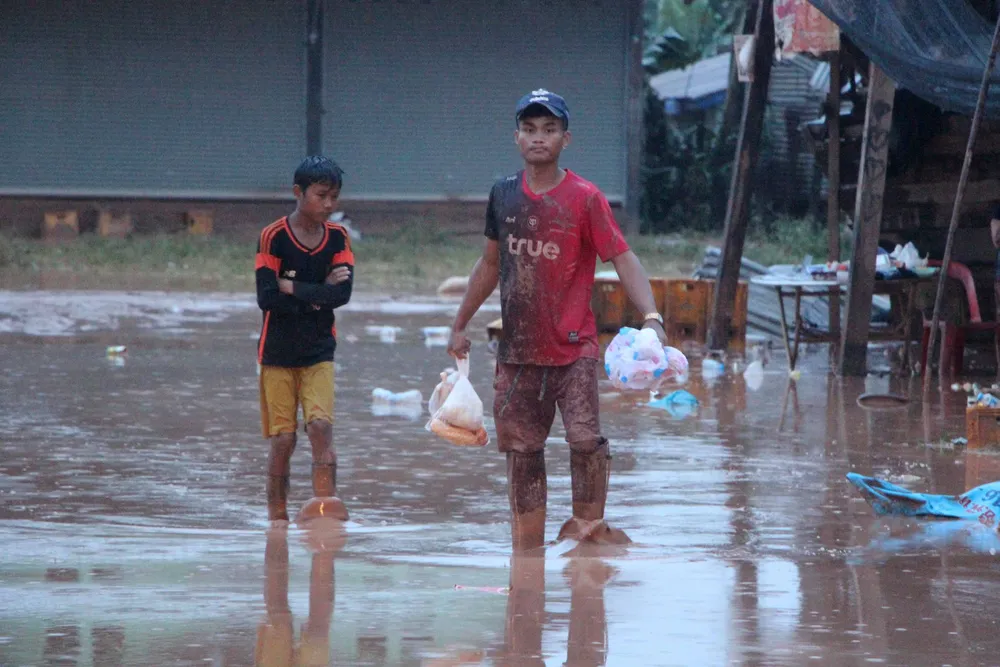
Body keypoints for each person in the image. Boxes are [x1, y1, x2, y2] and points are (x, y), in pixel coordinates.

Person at [447, 90, 666, 551]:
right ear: (517, 138)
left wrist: (652, 317)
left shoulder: (585, 198)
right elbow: (490, 265)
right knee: (522, 451)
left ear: (566, 139)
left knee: (585, 441)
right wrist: (459, 323)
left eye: (549, 130)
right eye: (529, 129)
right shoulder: (503, 195)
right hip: (519, 352)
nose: (538, 138)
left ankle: (587, 541)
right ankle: (528, 556)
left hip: (574, 349)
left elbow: (623, 258)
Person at [256, 156, 354, 526]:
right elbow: (267, 298)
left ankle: (324, 509)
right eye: (322, 196)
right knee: (283, 440)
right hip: (277, 352)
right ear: (299, 193)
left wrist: (292, 287)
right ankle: (277, 519)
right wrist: (318, 292)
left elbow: (342, 295)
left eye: (335, 197)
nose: (329, 205)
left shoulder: (338, 237)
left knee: (320, 427)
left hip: (318, 351)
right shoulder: (273, 236)